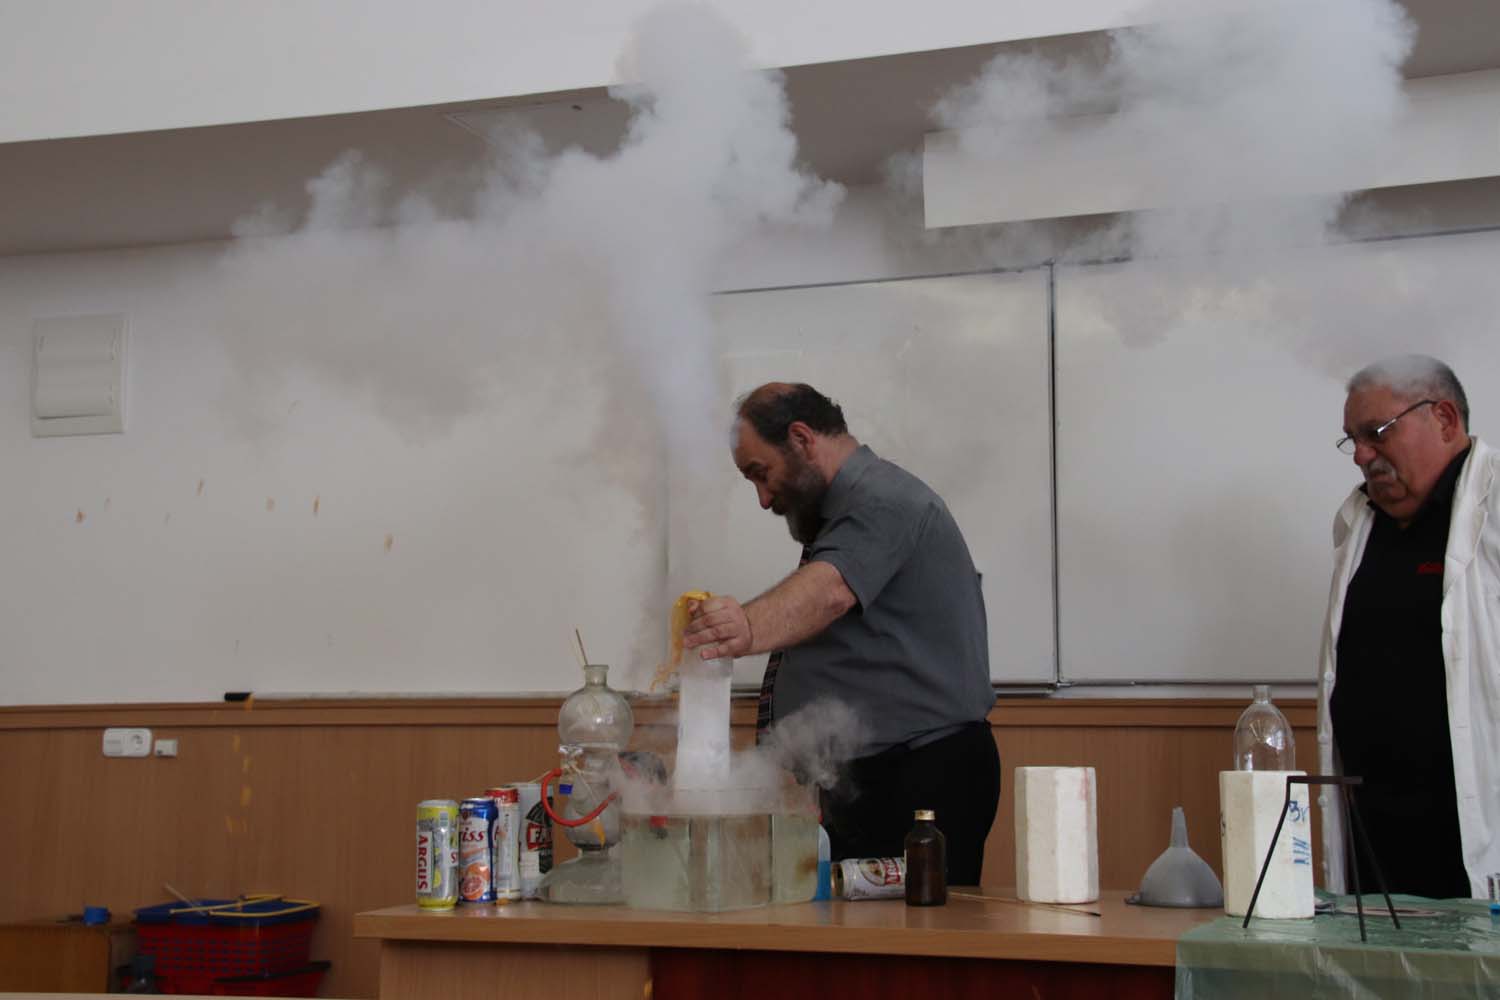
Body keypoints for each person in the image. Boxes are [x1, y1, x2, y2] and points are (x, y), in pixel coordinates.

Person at [682, 382, 999, 885]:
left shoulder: (885, 500)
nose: (763, 499)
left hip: (921, 777)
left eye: (761, 473)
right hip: (872, 777)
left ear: (801, 438)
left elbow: (828, 591)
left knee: (921, 931)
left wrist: (743, 627)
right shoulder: (845, 512)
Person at [1318, 355, 1500, 899]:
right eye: (1353, 440)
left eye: (1376, 433)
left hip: (1474, 831)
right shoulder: (1357, 523)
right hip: (1375, 845)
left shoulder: (1491, 510)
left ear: (1444, 419)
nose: (1362, 455)